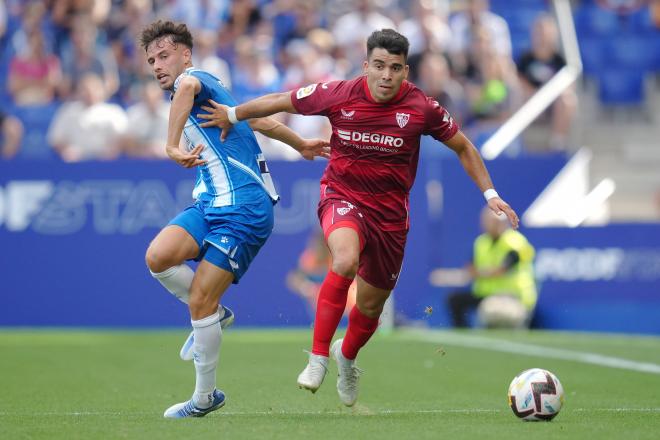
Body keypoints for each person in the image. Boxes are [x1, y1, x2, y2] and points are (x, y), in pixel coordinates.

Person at [198, 29, 519, 407]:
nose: (386, 75)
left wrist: (491, 194)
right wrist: (232, 113)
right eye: (379, 66)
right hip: (342, 195)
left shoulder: (422, 108)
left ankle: (346, 357)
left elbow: (463, 147)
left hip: (390, 217)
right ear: (366, 65)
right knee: (345, 259)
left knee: (369, 307)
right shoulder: (338, 93)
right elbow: (281, 100)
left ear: (405, 72)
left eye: (395, 68)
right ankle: (317, 357)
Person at [139, 20, 329, 419]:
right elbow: (258, 120)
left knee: (200, 299)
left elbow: (186, 88)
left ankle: (204, 398)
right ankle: (215, 315)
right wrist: (302, 144)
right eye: (151, 59)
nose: (157, 65)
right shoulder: (216, 96)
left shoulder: (193, 81)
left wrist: (171, 145)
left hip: (244, 207)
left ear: (186, 55)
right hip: (210, 202)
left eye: (164, 55)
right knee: (158, 257)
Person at [446, 208, 536, 328]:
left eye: (492, 222)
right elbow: (471, 268)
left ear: (502, 223)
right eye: (486, 221)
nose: (487, 225)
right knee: (455, 299)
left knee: (494, 312)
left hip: (511, 296)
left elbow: (501, 270)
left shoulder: (515, 242)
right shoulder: (481, 242)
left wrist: (480, 273)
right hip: (485, 294)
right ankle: (463, 333)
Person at [517, 14, 576, 151]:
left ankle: (557, 143)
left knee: (568, 99)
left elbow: (568, 85)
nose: (542, 37)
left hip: (552, 105)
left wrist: (547, 97)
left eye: (545, 33)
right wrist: (535, 94)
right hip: (529, 102)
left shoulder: (560, 60)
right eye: (539, 32)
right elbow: (517, 79)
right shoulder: (525, 59)